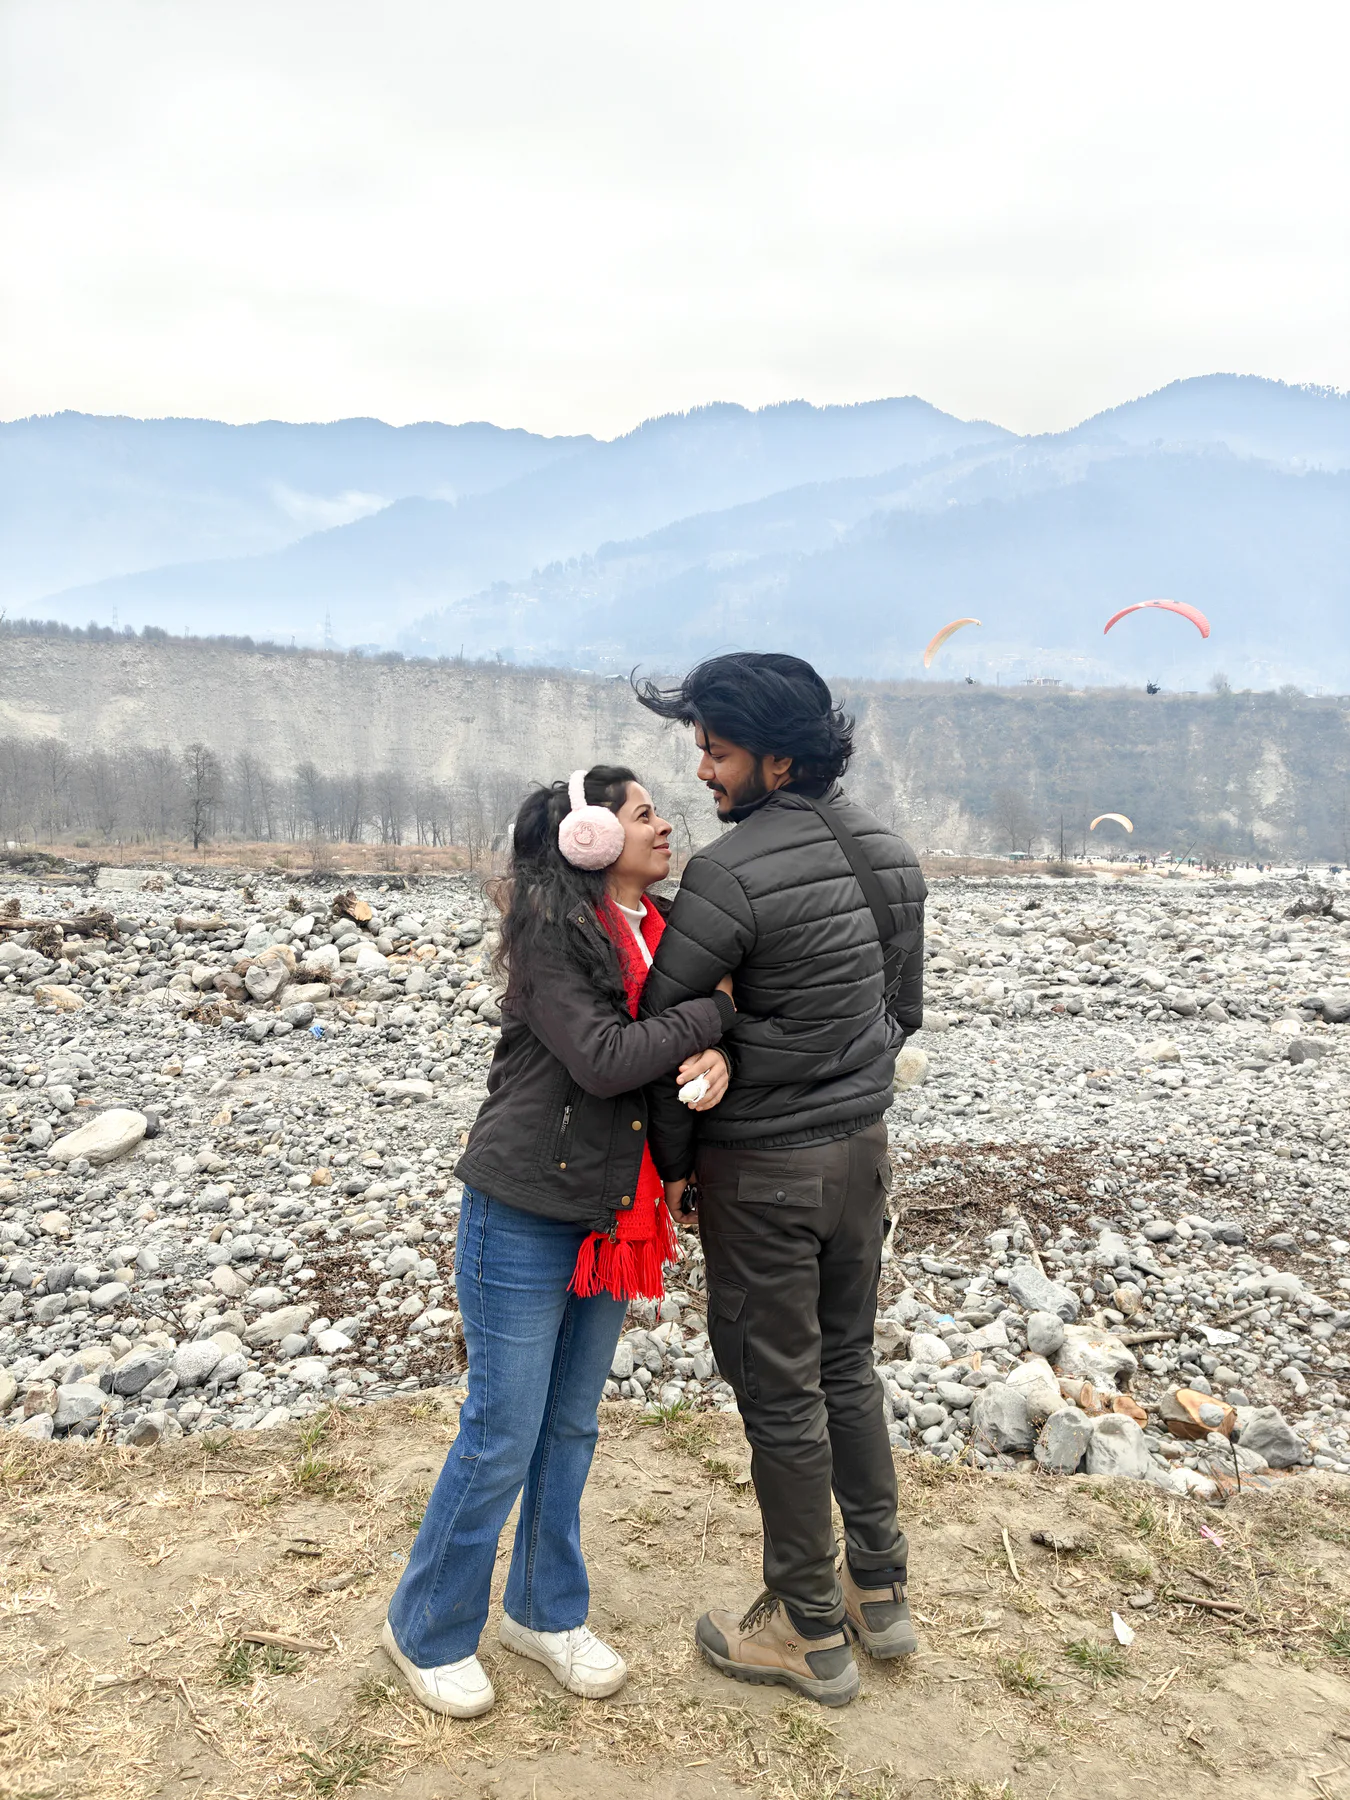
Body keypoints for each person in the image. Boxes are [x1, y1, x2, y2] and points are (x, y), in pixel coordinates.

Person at [383, 765, 736, 1718]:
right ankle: (425, 1628)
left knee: (570, 1425)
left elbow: (667, 1050)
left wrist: (712, 1053)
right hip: (524, 1207)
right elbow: (607, 1057)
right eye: (643, 814)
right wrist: (716, 1014)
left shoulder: (664, 932)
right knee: (502, 1432)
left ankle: (543, 1612)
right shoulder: (551, 932)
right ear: (589, 838)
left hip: (611, 1212)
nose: (665, 825)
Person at [636, 653, 927, 1709]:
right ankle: (876, 1591)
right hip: (861, 1159)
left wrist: (676, 1166)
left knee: (780, 1394)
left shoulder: (728, 876)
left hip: (763, 1174)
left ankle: (805, 1629)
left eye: (716, 751)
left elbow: (670, 1036)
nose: (702, 771)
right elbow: (903, 1015)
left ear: (778, 760)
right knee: (848, 1367)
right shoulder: (892, 855)